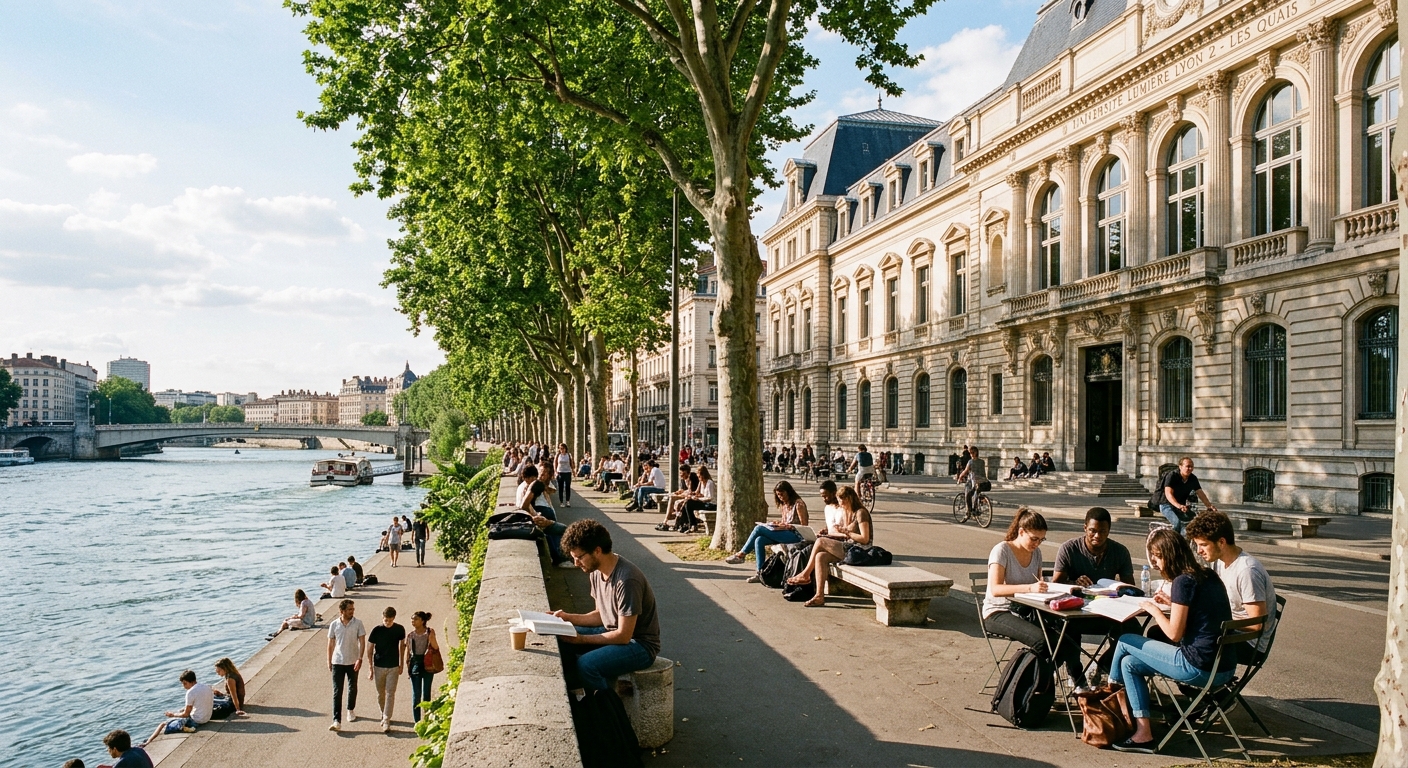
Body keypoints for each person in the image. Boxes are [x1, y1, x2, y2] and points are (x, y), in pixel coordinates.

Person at [1108, 528, 1238, 753]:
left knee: (1125, 639)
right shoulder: (1208, 575)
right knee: (1129, 663)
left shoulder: (1183, 581)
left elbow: (1174, 635)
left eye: (1157, 557)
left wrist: (1154, 609)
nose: (1156, 564)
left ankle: (1110, 694)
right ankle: (1143, 733)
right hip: (1224, 667)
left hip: (1197, 666)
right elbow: (1201, 615)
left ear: (1169, 554)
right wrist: (1172, 603)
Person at [981, 509, 1088, 691]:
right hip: (998, 612)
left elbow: (1037, 584)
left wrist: (1049, 590)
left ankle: (1078, 684)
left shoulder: (1036, 553)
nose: (1037, 544)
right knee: (1043, 641)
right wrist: (1029, 588)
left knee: (1069, 632)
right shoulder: (1001, 550)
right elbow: (995, 589)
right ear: (1021, 532)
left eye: (1041, 540)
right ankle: (1030, 686)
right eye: (1034, 539)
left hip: (1026, 609)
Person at [553, 519, 661, 692]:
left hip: (640, 645)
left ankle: (607, 710)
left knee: (587, 665)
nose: (576, 564)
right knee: (560, 639)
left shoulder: (627, 580)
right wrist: (566, 617)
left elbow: (624, 636)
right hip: (613, 632)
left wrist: (581, 639)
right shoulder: (596, 572)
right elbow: (600, 615)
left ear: (597, 551)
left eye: (579, 557)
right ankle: (583, 695)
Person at [1053, 507, 1138, 679]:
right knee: (1065, 628)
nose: (1097, 536)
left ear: (1109, 531)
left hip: (1108, 612)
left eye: (1102, 532)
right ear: (1085, 528)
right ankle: (1076, 675)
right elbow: (1056, 584)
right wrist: (1074, 583)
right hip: (1077, 612)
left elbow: (1130, 586)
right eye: (1092, 531)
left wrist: (1117, 588)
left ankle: (1104, 665)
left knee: (1133, 628)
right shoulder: (1069, 549)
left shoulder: (1120, 551)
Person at [1185, 510, 1277, 661]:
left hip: (1249, 644)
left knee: (1182, 639)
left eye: (1203, 545)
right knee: (1166, 631)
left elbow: (1257, 625)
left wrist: (1217, 622)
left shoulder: (1247, 571)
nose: (1199, 551)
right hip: (1227, 631)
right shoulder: (1219, 561)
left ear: (1221, 542)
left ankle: (1202, 682)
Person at [784, 486, 872, 607]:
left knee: (820, 542)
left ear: (848, 499)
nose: (840, 505)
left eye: (841, 501)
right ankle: (819, 596)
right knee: (820, 556)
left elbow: (865, 539)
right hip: (851, 548)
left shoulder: (861, 513)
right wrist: (831, 534)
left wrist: (847, 532)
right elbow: (847, 537)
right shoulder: (849, 513)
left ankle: (805, 574)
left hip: (861, 551)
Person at [725, 481, 809, 581]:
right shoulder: (784, 505)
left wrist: (786, 526)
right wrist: (777, 524)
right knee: (759, 540)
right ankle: (760, 573)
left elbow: (804, 525)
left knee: (759, 529)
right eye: (778, 495)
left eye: (782, 494)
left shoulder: (798, 504)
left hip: (796, 535)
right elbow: (785, 521)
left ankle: (741, 554)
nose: (780, 497)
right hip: (784, 532)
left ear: (788, 492)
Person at [145, 669, 214, 745]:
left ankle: (148, 742)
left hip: (197, 720)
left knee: (162, 724)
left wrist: (173, 715)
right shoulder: (206, 686)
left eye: (185, 683)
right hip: (207, 718)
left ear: (192, 681)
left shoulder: (190, 692)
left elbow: (186, 714)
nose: (184, 686)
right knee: (181, 711)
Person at [327, 598, 366, 730]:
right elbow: (331, 643)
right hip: (337, 661)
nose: (352, 611)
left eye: (353, 609)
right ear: (342, 611)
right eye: (349, 609)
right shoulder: (334, 624)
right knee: (337, 691)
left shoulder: (358, 623)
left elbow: (362, 641)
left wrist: (360, 658)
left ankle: (350, 709)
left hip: (353, 660)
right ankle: (336, 720)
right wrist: (329, 660)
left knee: (352, 687)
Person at [367, 606, 407, 732]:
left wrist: (401, 664)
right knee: (381, 693)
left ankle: (386, 718)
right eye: (385, 620)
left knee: (390, 693)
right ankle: (383, 712)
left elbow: (402, 647)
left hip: (393, 666)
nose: (387, 622)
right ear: (382, 618)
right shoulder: (377, 630)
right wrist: (370, 667)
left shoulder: (400, 629)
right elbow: (369, 649)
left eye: (389, 620)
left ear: (394, 618)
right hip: (379, 665)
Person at [1157, 457, 1219, 534]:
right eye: (1187, 466)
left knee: (1192, 523)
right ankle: (1173, 541)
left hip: (1181, 507)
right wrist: (1178, 505)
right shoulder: (1172, 476)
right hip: (1166, 505)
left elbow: (1200, 493)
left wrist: (1209, 506)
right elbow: (1168, 493)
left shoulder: (1193, 478)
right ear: (1180, 467)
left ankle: (1184, 542)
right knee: (1176, 523)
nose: (1190, 469)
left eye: (1191, 466)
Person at [521, 479, 575, 568]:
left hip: (540, 521)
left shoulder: (527, 491)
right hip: (538, 524)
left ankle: (561, 557)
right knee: (563, 529)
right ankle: (561, 559)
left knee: (556, 530)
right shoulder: (528, 493)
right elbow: (524, 506)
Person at [406, 611, 440, 724]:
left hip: (428, 664)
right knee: (416, 695)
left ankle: (427, 719)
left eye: (415, 619)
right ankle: (417, 721)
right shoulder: (410, 635)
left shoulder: (429, 632)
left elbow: (435, 647)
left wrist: (431, 638)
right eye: (412, 619)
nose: (413, 621)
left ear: (422, 621)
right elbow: (408, 653)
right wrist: (408, 667)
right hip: (415, 664)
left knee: (426, 693)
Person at [674, 465, 716, 532]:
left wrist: (698, 499)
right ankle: (687, 524)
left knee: (689, 504)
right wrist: (693, 496)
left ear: (703, 475)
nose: (698, 478)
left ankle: (688, 524)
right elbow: (697, 493)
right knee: (688, 503)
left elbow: (710, 498)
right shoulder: (701, 482)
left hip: (711, 504)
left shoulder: (709, 483)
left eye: (699, 476)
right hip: (704, 502)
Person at [955, 446, 988, 515]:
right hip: (984, 481)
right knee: (976, 492)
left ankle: (970, 510)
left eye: (972, 452)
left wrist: (960, 477)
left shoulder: (970, 462)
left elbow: (965, 471)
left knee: (968, 494)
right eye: (970, 453)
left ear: (976, 453)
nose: (971, 454)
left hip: (974, 481)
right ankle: (977, 505)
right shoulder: (982, 461)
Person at [555, 443, 575, 508]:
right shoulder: (558, 455)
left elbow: (571, 463)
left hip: (567, 472)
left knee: (567, 487)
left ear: (565, 448)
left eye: (563, 448)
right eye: (560, 448)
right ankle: (561, 502)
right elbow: (555, 463)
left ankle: (567, 501)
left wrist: (573, 470)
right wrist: (555, 471)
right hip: (560, 472)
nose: (562, 450)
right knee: (560, 488)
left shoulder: (568, 455)